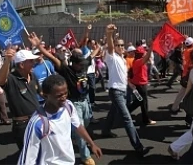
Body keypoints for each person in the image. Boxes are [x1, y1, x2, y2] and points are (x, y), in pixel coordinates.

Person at [28, 32, 100, 165]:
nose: (82, 66)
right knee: (80, 129)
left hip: (85, 101)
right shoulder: (66, 69)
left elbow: (93, 54)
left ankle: (71, 133)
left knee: (86, 123)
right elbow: (51, 56)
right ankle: (85, 156)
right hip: (74, 103)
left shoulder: (84, 64)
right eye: (79, 64)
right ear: (74, 63)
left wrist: (102, 43)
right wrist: (39, 46)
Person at [18, 75, 102, 165]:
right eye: (59, 96)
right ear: (45, 96)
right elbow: (27, 159)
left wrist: (92, 144)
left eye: (65, 93)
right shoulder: (37, 123)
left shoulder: (68, 106)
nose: (64, 98)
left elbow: (78, 126)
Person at [101, 24, 149, 156]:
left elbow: (123, 76)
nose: (121, 47)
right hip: (115, 91)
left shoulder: (122, 59)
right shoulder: (112, 57)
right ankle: (138, 147)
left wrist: (130, 85)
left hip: (122, 90)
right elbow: (110, 46)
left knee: (112, 113)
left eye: (122, 45)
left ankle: (105, 131)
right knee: (127, 118)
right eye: (118, 45)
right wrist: (109, 34)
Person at [0, 48, 41, 150]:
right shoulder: (12, 79)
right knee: (28, 156)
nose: (34, 63)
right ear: (21, 65)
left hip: (37, 121)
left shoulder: (33, 75)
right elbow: (0, 80)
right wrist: (7, 61)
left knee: (40, 152)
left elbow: (41, 93)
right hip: (23, 126)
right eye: (31, 61)